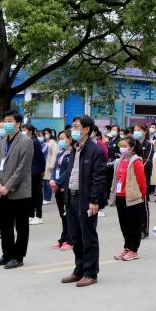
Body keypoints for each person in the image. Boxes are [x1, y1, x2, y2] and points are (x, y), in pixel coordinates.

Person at [58, 116, 107, 286]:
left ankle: (90, 272)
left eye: (76, 127)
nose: (73, 130)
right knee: (75, 237)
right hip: (71, 198)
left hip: (86, 199)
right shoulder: (75, 148)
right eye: (72, 127)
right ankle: (79, 270)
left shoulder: (95, 150)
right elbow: (70, 173)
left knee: (88, 237)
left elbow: (99, 178)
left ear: (86, 129)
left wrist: (94, 200)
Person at [0, 110, 34, 270]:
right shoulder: (2, 142)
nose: (7, 124)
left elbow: (22, 169)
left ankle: (18, 256)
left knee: (21, 226)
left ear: (18, 123)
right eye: (5, 121)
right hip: (1, 190)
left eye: (10, 121)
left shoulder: (26, 141)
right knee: (4, 225)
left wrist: (7, 187)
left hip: (19, 192)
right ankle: (7, 254)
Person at [113, 137, 148, 262]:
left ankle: (134, 250)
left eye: (125, 146)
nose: (122, 148)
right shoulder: (119, 161)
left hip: (132, 198)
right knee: (124, 225)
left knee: (134, 225)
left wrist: (141, 197)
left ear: (132, 148)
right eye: (120, 146)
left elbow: (142, 182)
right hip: (120, 197)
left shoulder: (136, 162)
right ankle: (127, 247)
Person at [49, 130, 74, 251]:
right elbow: (55, 168)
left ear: (70, 139)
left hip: (66, 187)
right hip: (57, 187)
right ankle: (63, 237)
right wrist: (52, 180)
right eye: (59, 138)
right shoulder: (61, 153)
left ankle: (70, 239)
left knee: (67, 214)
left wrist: (57, 182)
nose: (61, 141)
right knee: (62, 215)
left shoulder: (73, 153)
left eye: (63, 138)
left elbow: (68, 171)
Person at [23, 124, 46, 225]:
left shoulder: (35, 142)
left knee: (37, 194)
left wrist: (42, 169)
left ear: (31, 132)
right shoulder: (25, 141)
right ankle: (31, 215)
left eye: (25, 130)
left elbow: (40, 157)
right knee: (30, 194)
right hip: (27, 171)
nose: (23, 132)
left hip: (35, 171)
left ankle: (39, 216)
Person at [42, 128, 58, 204]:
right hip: (43, 165)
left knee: (48, 182)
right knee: (44, 182)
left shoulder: (53, 143)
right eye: (44, 133)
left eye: (47, 133)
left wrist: (52, 165)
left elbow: (54, 155)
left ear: (50, 133)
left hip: (49, 165)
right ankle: (45, 198)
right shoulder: (43, 143)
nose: (45, 135)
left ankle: (48, 198)